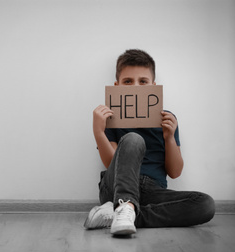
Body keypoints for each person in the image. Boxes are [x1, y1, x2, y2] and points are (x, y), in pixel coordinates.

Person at [84, 49, 215, 236]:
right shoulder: (110, 118)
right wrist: (98, 131)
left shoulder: (166, 119)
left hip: (152, 191)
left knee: (205, 204)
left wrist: (169, 137)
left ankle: (125, 214)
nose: (136, 87)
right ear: (117, 86)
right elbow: (110, 162)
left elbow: (175, 172)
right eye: (128, 81)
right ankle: (123, 205)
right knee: (133, 139)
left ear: (153, 86)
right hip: (115, 188)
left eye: (143, 82)